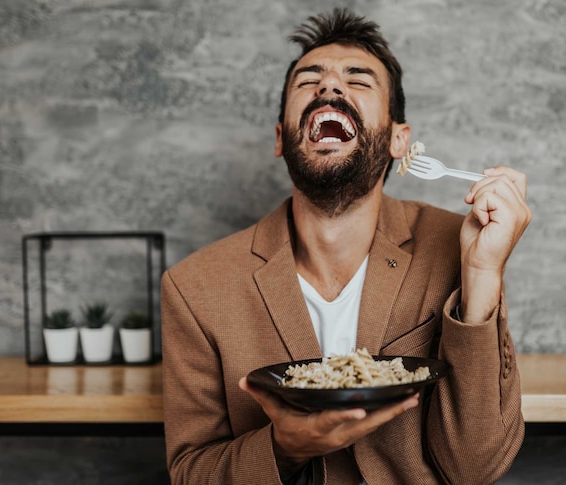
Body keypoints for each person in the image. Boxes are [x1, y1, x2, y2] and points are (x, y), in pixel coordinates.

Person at [162, 8, 530, 485]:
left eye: (358, 80)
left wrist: (481, 276)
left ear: (400, 140)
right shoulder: (195, 288)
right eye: (308, 80)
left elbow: (475, 468)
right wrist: (284, 447)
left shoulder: (461, 247)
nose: (329, 87)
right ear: (281, 138)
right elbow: (193, 473)